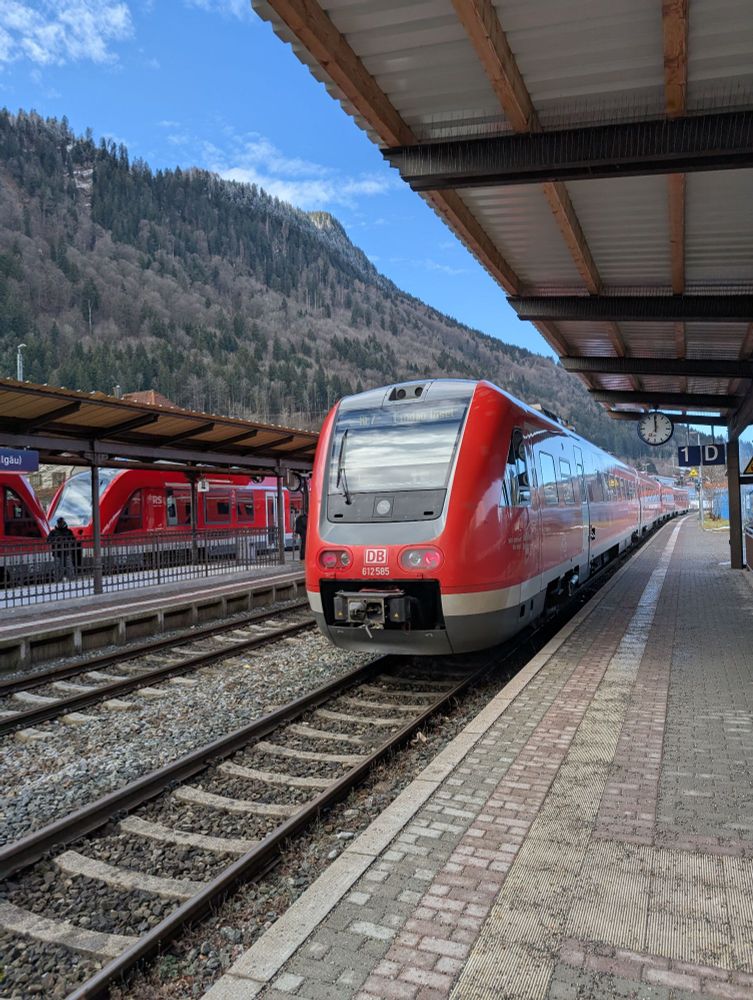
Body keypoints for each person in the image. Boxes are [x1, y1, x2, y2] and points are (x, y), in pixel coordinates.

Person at [48, 517, 76, 581]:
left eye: (61, 523)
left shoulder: (68, 531)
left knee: (68, 566)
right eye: (59, 523)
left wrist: (66, 540)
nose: (60, 524)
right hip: (57, 552)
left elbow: (73, 540)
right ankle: (57, 579)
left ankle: (71, 578)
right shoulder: (53, 532)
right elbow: (48, 540)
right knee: (57, 566)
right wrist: (56, 539)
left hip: (65, 552)